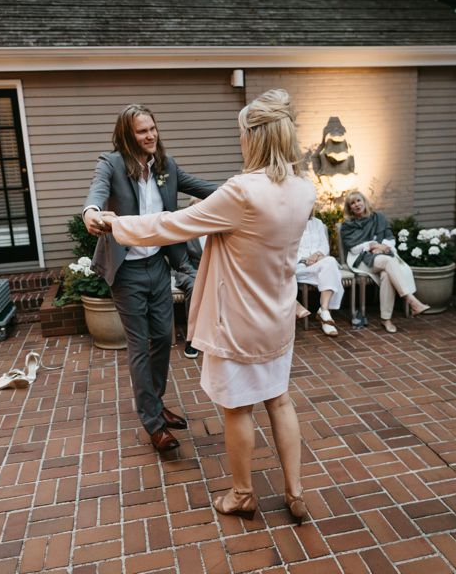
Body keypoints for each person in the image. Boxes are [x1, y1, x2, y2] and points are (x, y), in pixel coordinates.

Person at [92, 89, 318, 522]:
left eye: (241, 134)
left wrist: (114, 223)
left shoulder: (241, 192)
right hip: (278, 317)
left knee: (238, 409)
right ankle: (295, 492)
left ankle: (243, 494)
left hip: (236, 320)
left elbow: (169, 224)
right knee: (280, 401)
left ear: (254, 137)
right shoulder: (304, 191)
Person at [81, 105, 221, 456]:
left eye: (153, 128)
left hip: (158, 264)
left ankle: (155, 404)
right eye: (142, 131)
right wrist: (91, 213)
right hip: (126, 269)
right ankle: (153, 422)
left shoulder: (166, 167)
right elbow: (96, 194)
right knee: (140, 343)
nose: (151, 135)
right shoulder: (111, 164)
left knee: (163, 337)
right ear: (128, 136)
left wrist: (251, 190)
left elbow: (206, 188)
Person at [337, 189, 427, 333]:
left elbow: (390, 238)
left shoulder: (378, 217)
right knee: (388, 262)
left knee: (386, 274)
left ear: (364, 202)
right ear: (350, 208)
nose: (356, 204)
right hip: (360, 259)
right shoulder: (348, 225)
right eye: (352, 203)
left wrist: (382, 246)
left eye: (358, 200)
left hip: (381, 254)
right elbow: (353, 249)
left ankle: (386, 319)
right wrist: (372, 245)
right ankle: (411, 300)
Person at [293, 209, 344, 337]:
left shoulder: (318, 223)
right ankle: (325, 315)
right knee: (331, 271)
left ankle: (324, 310)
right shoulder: (290, 223)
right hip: (299, 267)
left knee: (330, 262)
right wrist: (305, 259)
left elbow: (324, 246)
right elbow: (288, 247)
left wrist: (316, 255)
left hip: (318, 263)